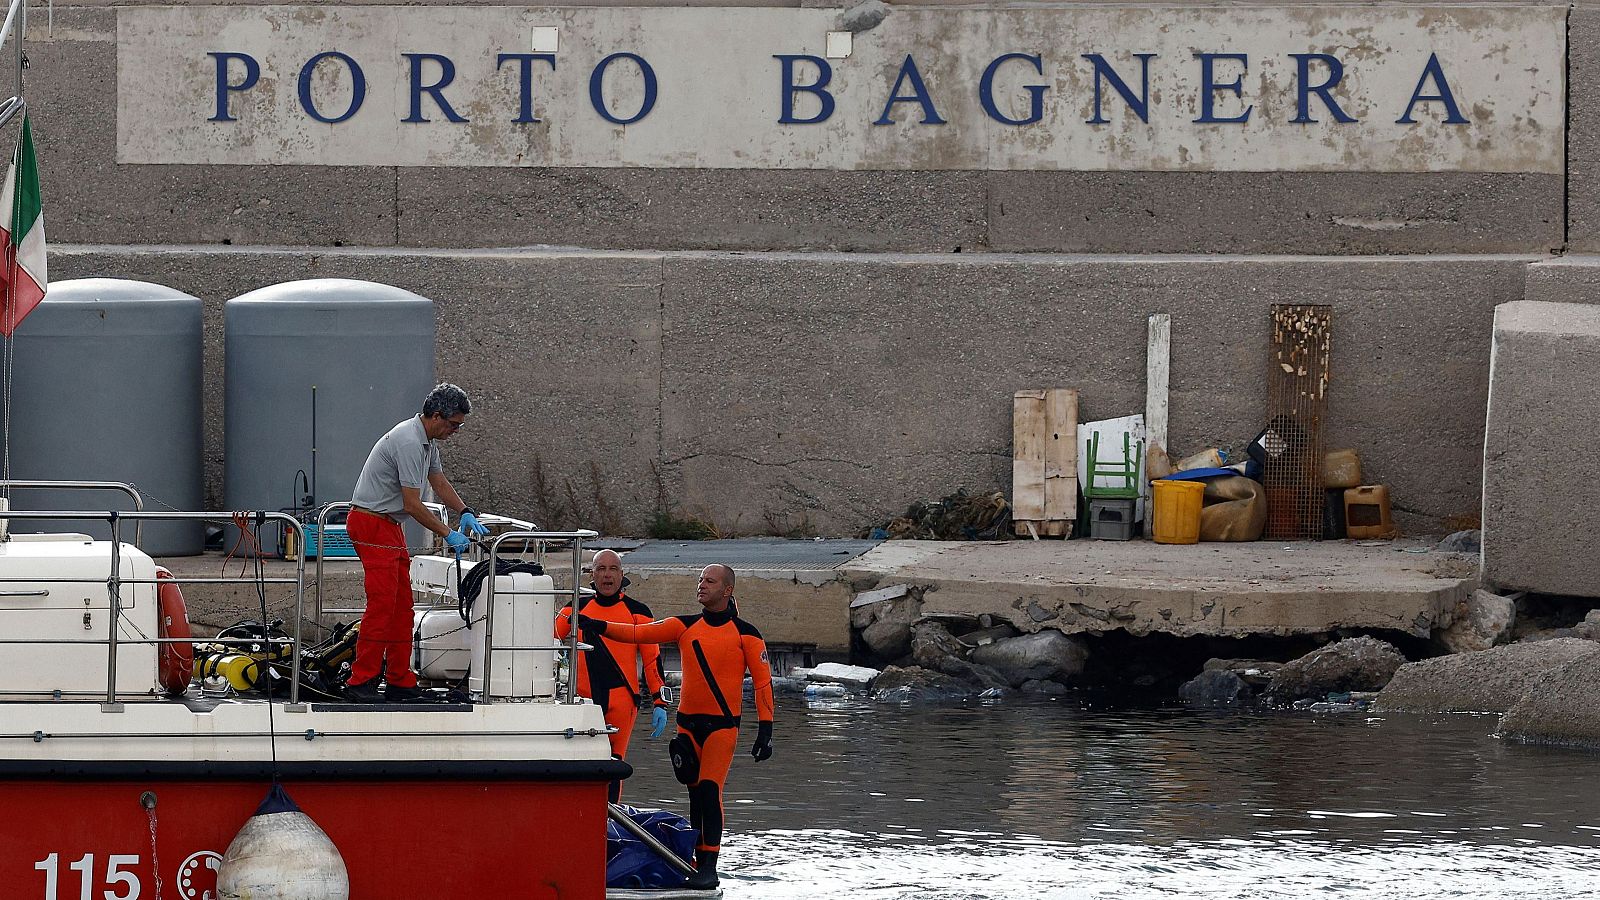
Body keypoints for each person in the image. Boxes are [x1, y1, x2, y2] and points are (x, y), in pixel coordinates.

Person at [580, 564, 773, 889]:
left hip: (722, 727)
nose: (701, 585)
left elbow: (763, 684)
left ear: (727, 590)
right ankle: (697, 860)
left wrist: (765, 730)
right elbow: (638, 633)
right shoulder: (685, 626)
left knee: (710, 791)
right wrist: (597, 625)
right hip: (687, 727)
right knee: (695, 794)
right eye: (700, 580)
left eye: (709, 581)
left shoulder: (746, 634)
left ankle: (709, 868)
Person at [344, 382, 489, 703]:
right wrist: (447, 533)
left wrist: (464, 510)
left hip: (388, 524)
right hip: (371, 524)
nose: (455, 431)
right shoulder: (409, 442)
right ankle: (361, 681)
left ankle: (399, 679)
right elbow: (412, 504)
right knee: (383, 605)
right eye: (454, 424)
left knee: (402, 608)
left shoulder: (426, 442)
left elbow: (438, 481)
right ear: (436, 416)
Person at [554, 548, 671, 802]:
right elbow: (546, 642)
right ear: (592, 575)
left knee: (614, 764)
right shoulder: (575, 608)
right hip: (583, 699)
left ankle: (610, 818)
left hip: (622, 700)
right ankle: (581, 815)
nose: (607, 575)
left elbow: (652, 659)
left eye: (613, 569)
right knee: (581, 763)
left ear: (622, 574)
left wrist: (660, 702)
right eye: (601, 569)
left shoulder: (638, 612)